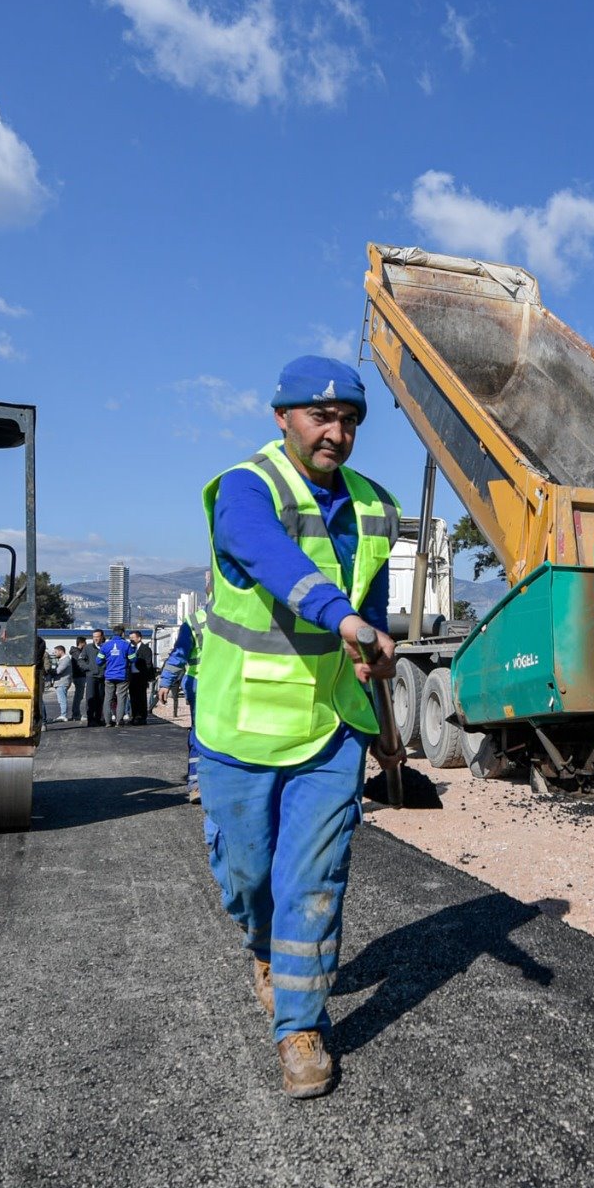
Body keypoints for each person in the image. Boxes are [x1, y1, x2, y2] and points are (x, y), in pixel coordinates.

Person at [195, 356, 399, 1099]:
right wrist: (339, 615)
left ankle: (300, 1024)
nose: (337, 433)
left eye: (350, 421)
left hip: (330, 725)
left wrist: (374, 644)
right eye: (322, 417)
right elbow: (268, 556)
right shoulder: (247, 489)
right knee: (250, 876)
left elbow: (370, 603)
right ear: (282, 417)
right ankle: (262, 950)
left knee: (312, 878)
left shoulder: (376, 506)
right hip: (240, 722)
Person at [160, 603, 204, 800]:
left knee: (200, 733)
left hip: (200, 685)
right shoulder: (240, 615)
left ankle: (196, 783)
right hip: (230, 686)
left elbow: (179, 655)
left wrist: (165, 682)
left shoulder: (195, 620)